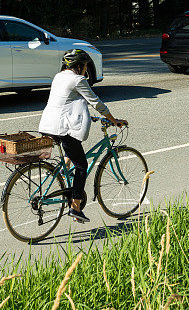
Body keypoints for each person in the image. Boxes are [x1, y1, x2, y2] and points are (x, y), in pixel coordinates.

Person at [37, 49, 127, 223]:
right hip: (61, 128)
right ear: (79, 66)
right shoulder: (78, 79)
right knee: (82, 165)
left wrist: (89, 117)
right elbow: (95, 102)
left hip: (48, 125)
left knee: (72, 150)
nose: (86, 69)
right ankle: (75, 207)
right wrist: (113, 120)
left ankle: (63, 173)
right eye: (85, 66)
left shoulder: (59, 77)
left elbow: (67, 103)